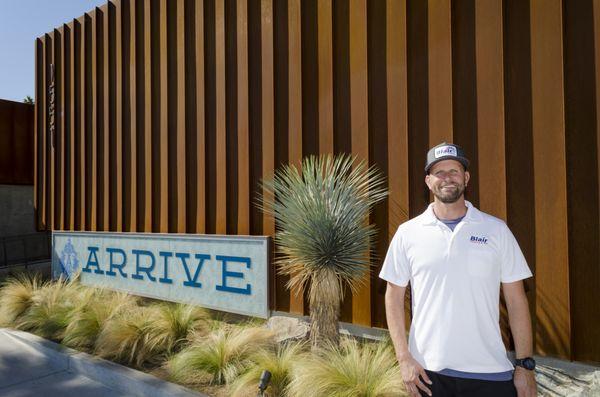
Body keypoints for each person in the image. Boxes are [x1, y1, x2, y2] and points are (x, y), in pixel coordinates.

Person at [380, 142, 537, 397]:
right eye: (439, 173)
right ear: (428, 181)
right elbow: (393, 296)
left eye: (453, 171)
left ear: (465, 178)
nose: (447, 178)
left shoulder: (496, 230)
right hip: (427, 374)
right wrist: (404, 358)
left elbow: (516, 300)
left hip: (490, 373)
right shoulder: (407, 234)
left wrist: (525, 366)